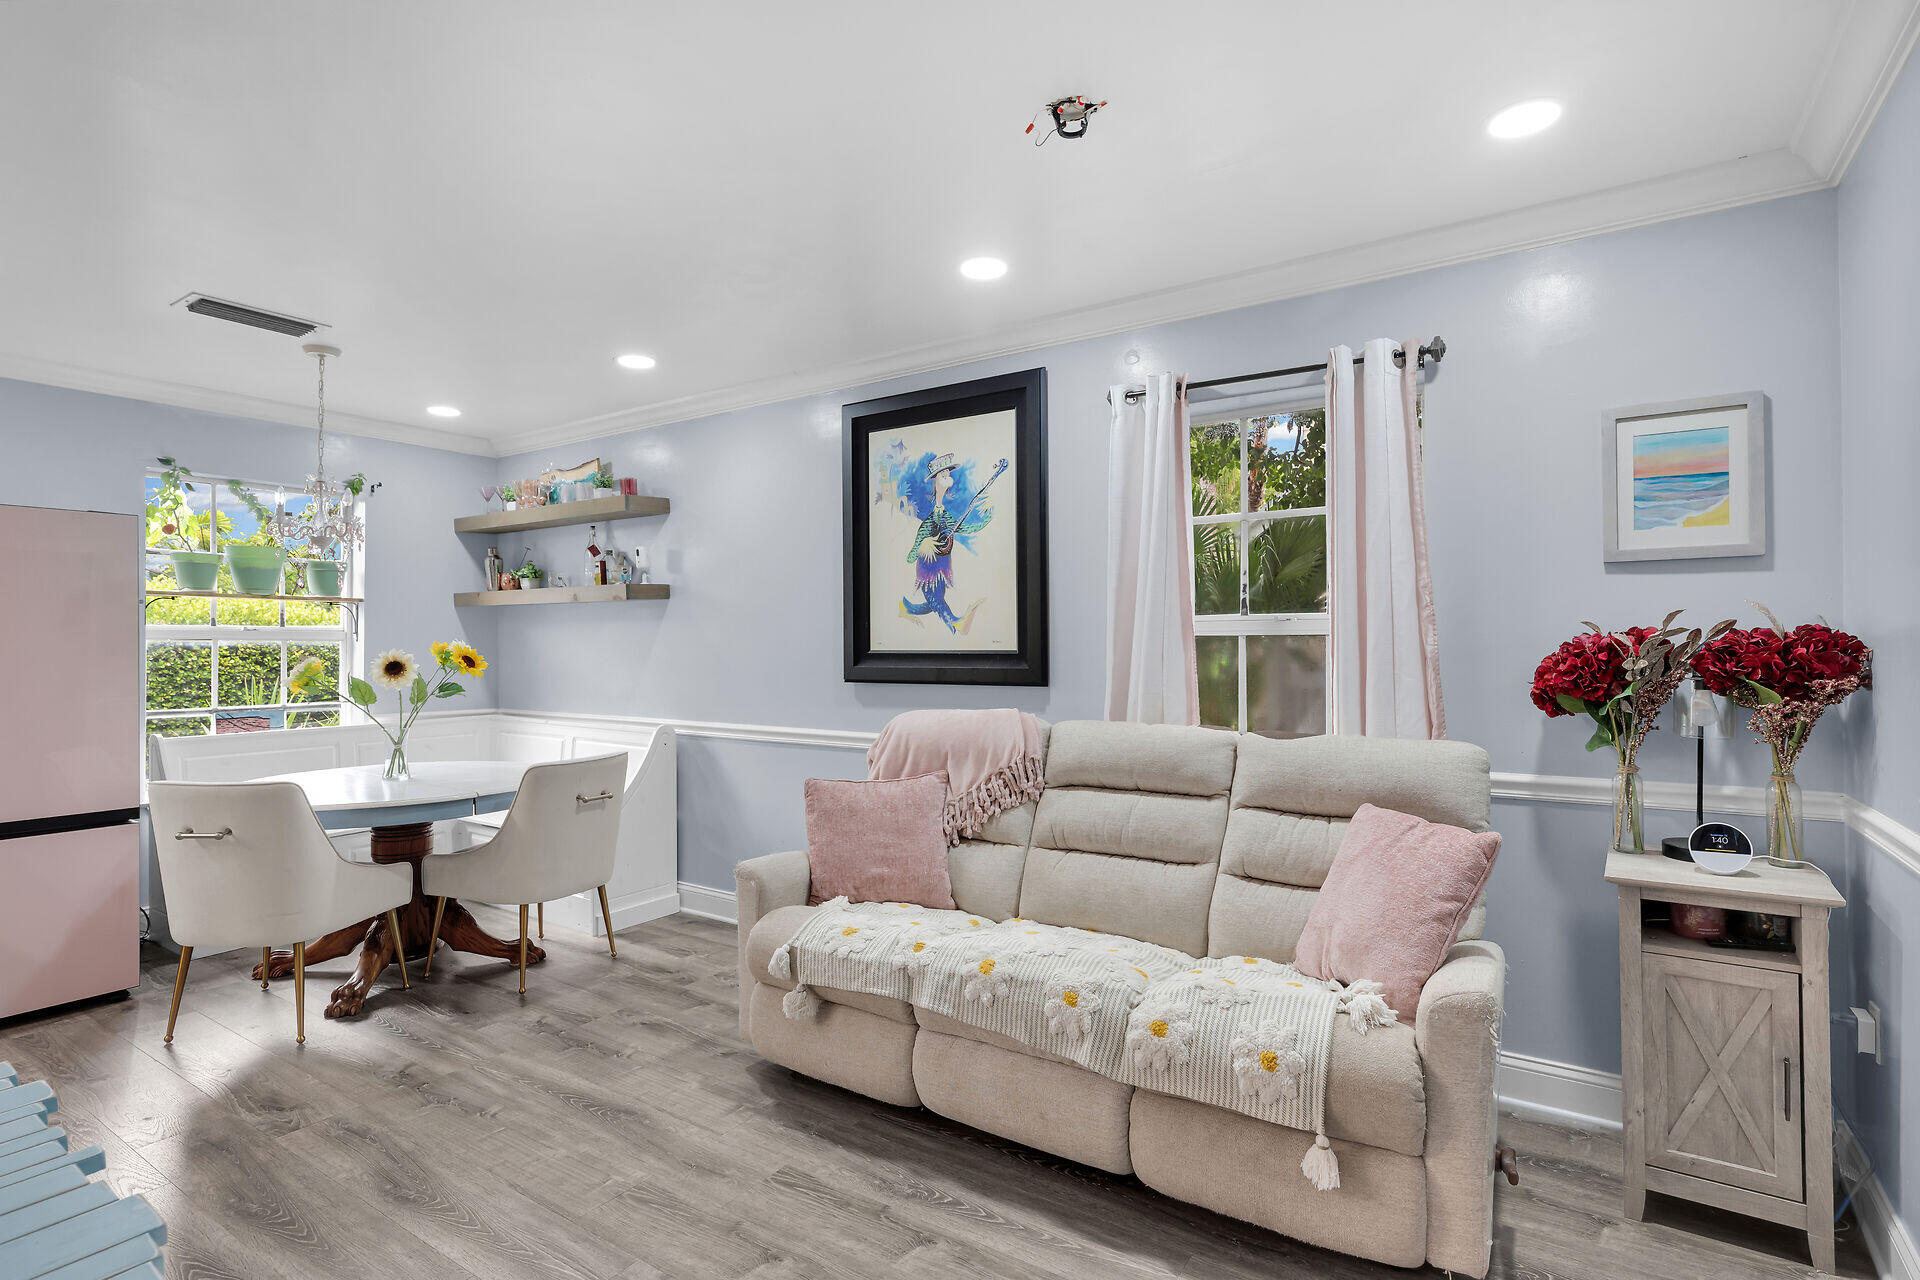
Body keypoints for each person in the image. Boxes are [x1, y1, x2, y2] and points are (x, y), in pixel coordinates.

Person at [902, 453, 986, 634]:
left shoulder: (946, 516)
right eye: (943, 475)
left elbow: (961, 527)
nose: (947, 477)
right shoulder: (931, 519)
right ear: (936, 481)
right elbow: (916, 547)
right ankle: (955, 623)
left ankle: (907, 609)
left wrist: (983, 521)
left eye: (948, 474)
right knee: (936, 599)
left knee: (935, 599)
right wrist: (923, 546)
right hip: (929, 567)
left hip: (942, 565)